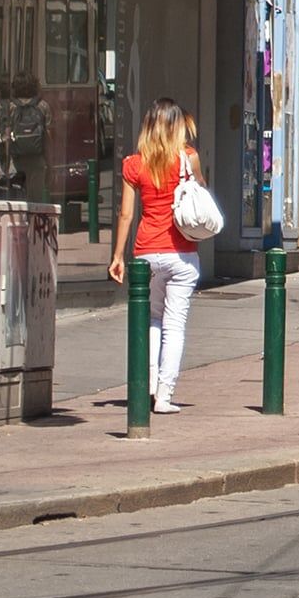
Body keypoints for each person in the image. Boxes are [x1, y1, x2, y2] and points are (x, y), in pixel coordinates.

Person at [108, 99, 203, 414]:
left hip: (146, 252)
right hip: (182, 253)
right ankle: (164, 395)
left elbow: (125, 214)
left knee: (152, 319)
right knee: (175, 324)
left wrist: (118, 255)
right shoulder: (188, 158)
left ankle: (146, 386)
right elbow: (201, 194)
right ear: (178, 126)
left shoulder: (134, 165)